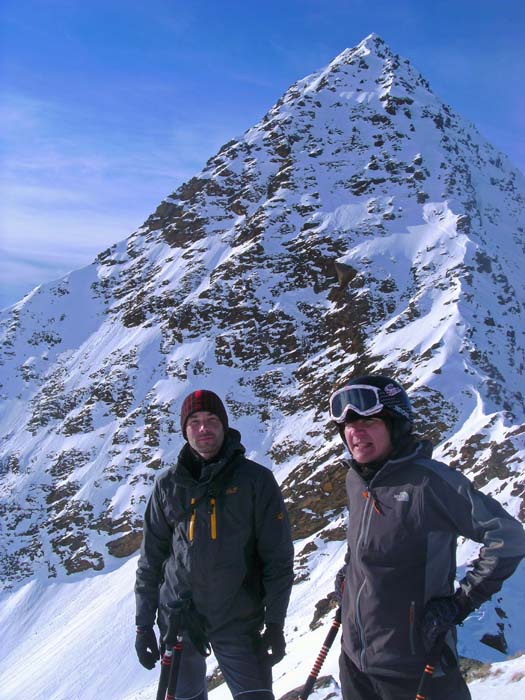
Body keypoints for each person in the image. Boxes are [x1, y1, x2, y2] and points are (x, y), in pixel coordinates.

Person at [329, 374, 525, 700]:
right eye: (347, 424)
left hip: (415, 667)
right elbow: (363, 542)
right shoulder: (357, 479)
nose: (355, 431)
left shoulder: (428, 484)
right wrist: (349, 573)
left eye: (368, 420)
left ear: (395, 424)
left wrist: (459, 604)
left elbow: (508, 536)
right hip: (355, 664)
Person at [135, 389, 294, 700]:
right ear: (185, 430)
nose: (203, 428)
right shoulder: (168, 485)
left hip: (238, 620)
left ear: (224, 425)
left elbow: (277, 558)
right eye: (195, 421)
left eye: (211, 420)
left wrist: (275, 622)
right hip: (179, 620)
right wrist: (143, 626)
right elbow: (151, 560)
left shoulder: (255, 481)